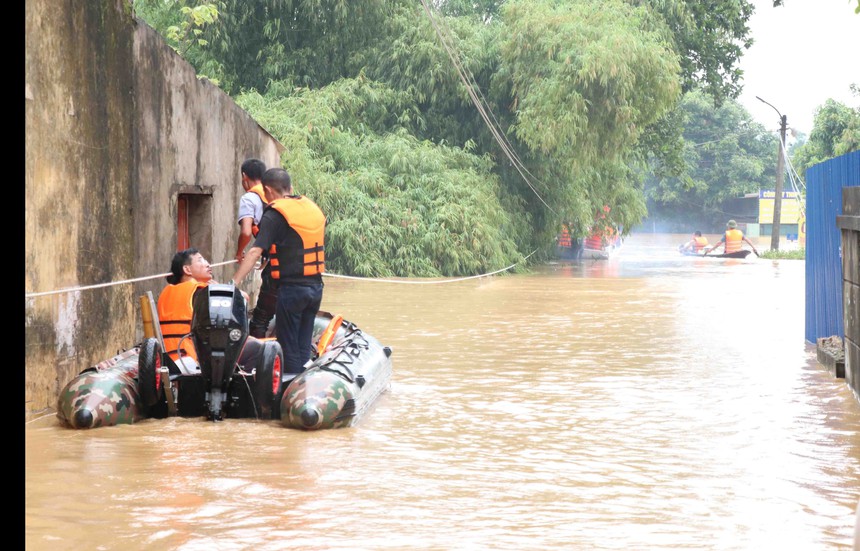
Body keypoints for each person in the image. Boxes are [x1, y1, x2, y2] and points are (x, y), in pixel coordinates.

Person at [231, 167, 326, 375]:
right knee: (303, 344)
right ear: (289, 187)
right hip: (316, 289)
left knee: (288, 345)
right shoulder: (311, 208)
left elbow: (256, 250)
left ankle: (289, 389)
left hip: (292, 291)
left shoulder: (275, 214)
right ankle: (304, 383)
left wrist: (234, 282)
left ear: (267, 190)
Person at [158, 248, 261, 374]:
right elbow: (244, 297)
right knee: (257, 347)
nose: (207, 264)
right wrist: (219, 287)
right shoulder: (202, 290)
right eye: (201, 260)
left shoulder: (166, 292)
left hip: (167, 359)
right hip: (192, 358)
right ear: (187, 270)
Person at [235, 158, 278, 338]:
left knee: (260, 318)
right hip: (287, 263)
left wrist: (239, 253)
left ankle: (257, 357)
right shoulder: (276, 195)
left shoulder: (249, 198)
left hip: (275, 270)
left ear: (245, 177)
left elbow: (246, 232)